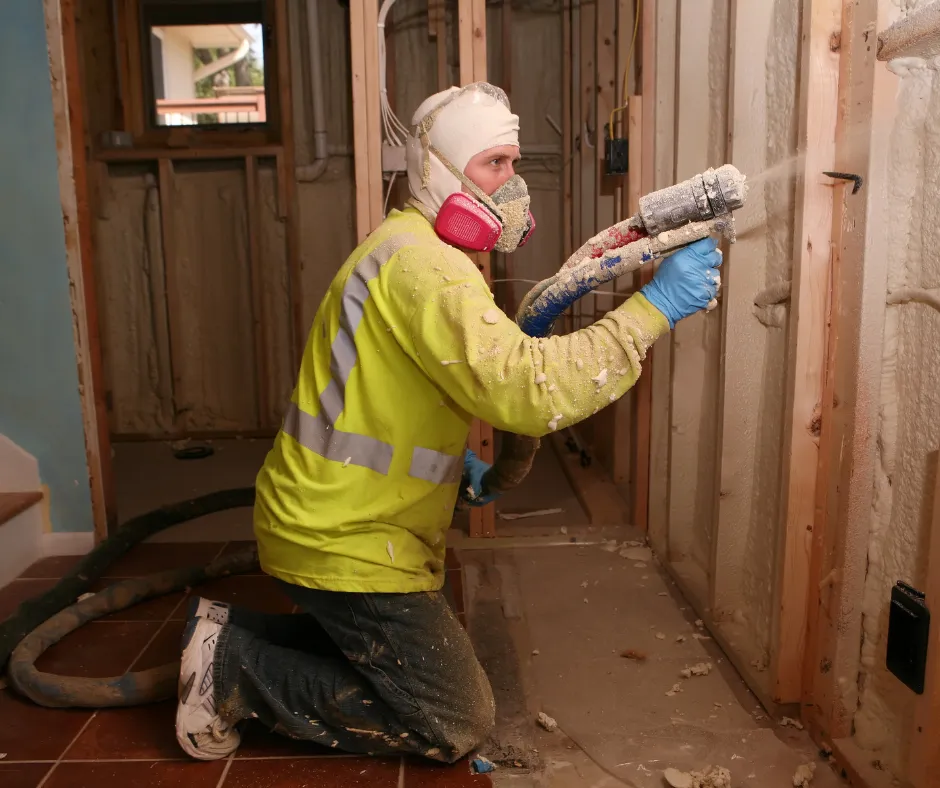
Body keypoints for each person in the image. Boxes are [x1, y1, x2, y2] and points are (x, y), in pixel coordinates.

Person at [173, 82, 721, 762]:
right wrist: (654, 310)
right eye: (495, 165)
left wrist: (444, 465)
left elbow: (392, 388)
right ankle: (236, 672)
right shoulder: (427, 269)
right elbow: (529, 390)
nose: (512, 184)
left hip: (334, 513)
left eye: (514, 163)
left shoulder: (409, 247)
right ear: (440, 173)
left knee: (396, 658)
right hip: (342, 537)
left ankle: (227, 635)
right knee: (454, 719)